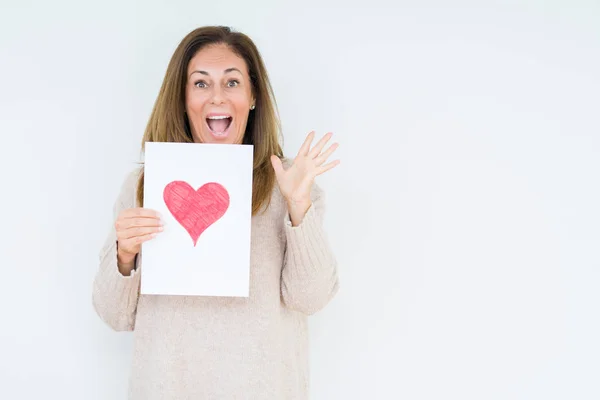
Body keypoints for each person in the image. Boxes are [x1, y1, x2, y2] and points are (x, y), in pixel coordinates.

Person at [92, 25, 340, 399]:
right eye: (201, 83)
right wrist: (124, 255)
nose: (216, 97)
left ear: (253, 95)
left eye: (232, 82)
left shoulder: (288, 183)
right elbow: (114, 316)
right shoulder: (144, 186)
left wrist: (298, 208)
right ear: (183, 97)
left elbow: (312, 298)